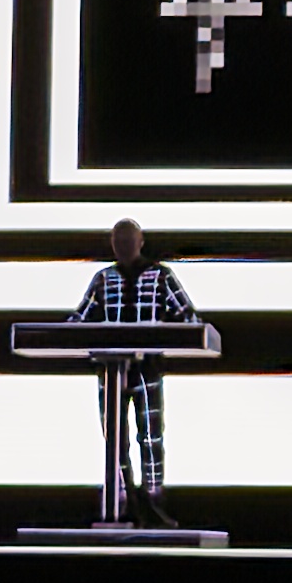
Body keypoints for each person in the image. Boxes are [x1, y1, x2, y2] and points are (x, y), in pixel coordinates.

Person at [66, 220, 197, 526]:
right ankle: (123, 499)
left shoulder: (161, 276)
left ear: (141, 242)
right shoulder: (103, 279)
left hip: (146, 370)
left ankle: (153, 500)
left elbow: (187, 316)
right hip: (110, 372)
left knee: (150, 436)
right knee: (115, 439)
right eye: (118, 242)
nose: (122, 247)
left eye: (128, 240)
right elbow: (79, 319)